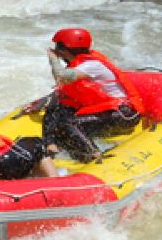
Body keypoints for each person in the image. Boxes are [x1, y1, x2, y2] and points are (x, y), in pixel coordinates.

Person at [35, 28, 144, 163]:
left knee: (69, 123)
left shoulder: (92, 65)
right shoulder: (79, 65)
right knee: (55, 110)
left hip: (123, 114)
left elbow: (61, 76)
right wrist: (41, 102)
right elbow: (64, 91)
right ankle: (51, 147)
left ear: (63, 50)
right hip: (103, 110)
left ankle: (94, 155)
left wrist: (53, 59)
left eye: (57, 47)